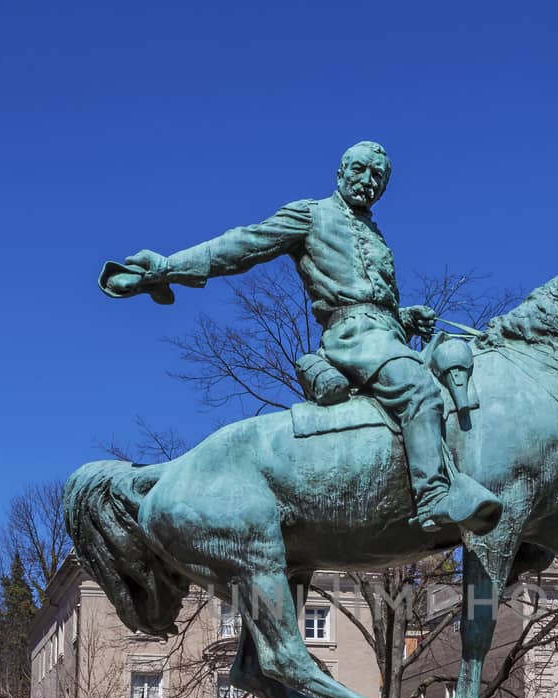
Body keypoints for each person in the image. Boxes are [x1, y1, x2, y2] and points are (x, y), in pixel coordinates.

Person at [101, 141, 502, 533]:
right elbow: (243, 244)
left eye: (377, 176)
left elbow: (373, 296)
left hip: (387, 334)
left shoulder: (374, 234)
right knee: (419, 391)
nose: (367, 180)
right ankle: (433, 495)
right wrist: (168, 268)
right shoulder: (312, 215)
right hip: (353, 335)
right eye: (359, 170)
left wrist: (405, 316)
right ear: (340, 173)